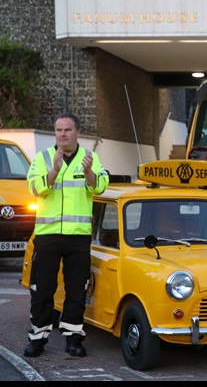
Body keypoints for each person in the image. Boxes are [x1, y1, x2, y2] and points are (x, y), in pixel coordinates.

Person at [24, 113, 109, 358]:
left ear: (77, 132)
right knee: (42, 289)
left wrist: (90, 173)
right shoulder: (43, 158)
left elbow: (101, 186)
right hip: (47, 235)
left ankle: (73, 340)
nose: (62, 134)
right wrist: (53, 172)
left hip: (78, 237)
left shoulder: (90, 158)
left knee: (76, 290)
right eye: (59, 130)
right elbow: (32, 188)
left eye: (67, 130)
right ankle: (38, 340)